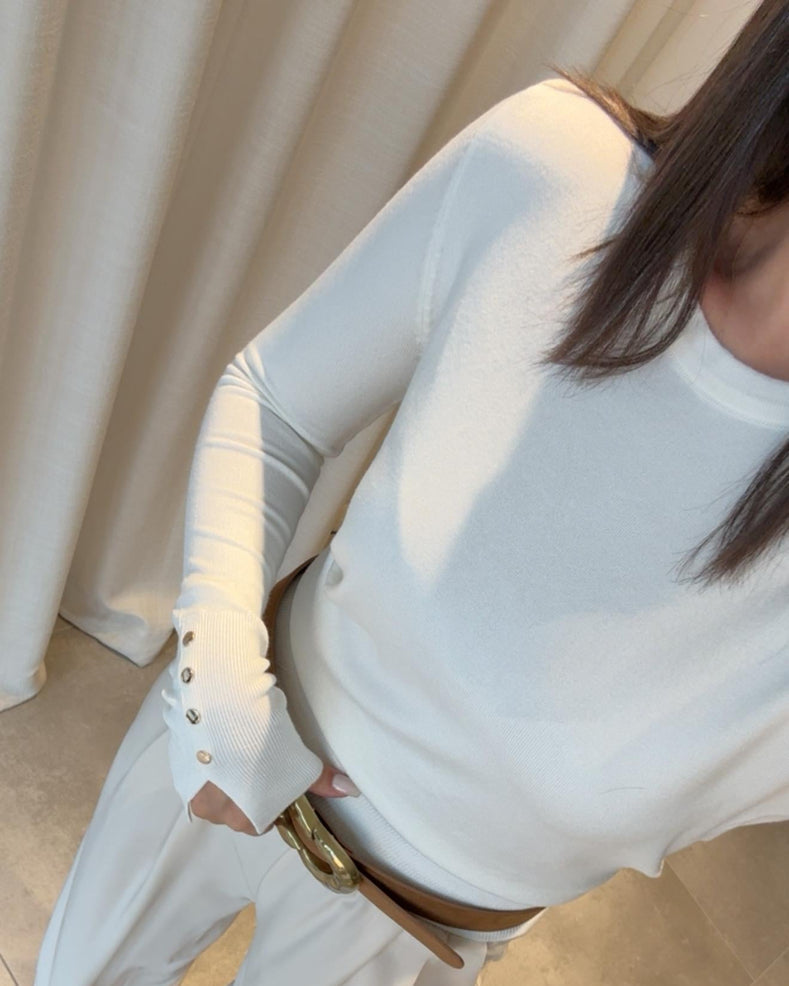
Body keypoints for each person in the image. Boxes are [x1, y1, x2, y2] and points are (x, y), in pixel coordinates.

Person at [35, 1, 789, 983]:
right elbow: (278, 401)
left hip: (420, 934)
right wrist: (217, 685)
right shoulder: (563, 173)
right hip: (232, 729)